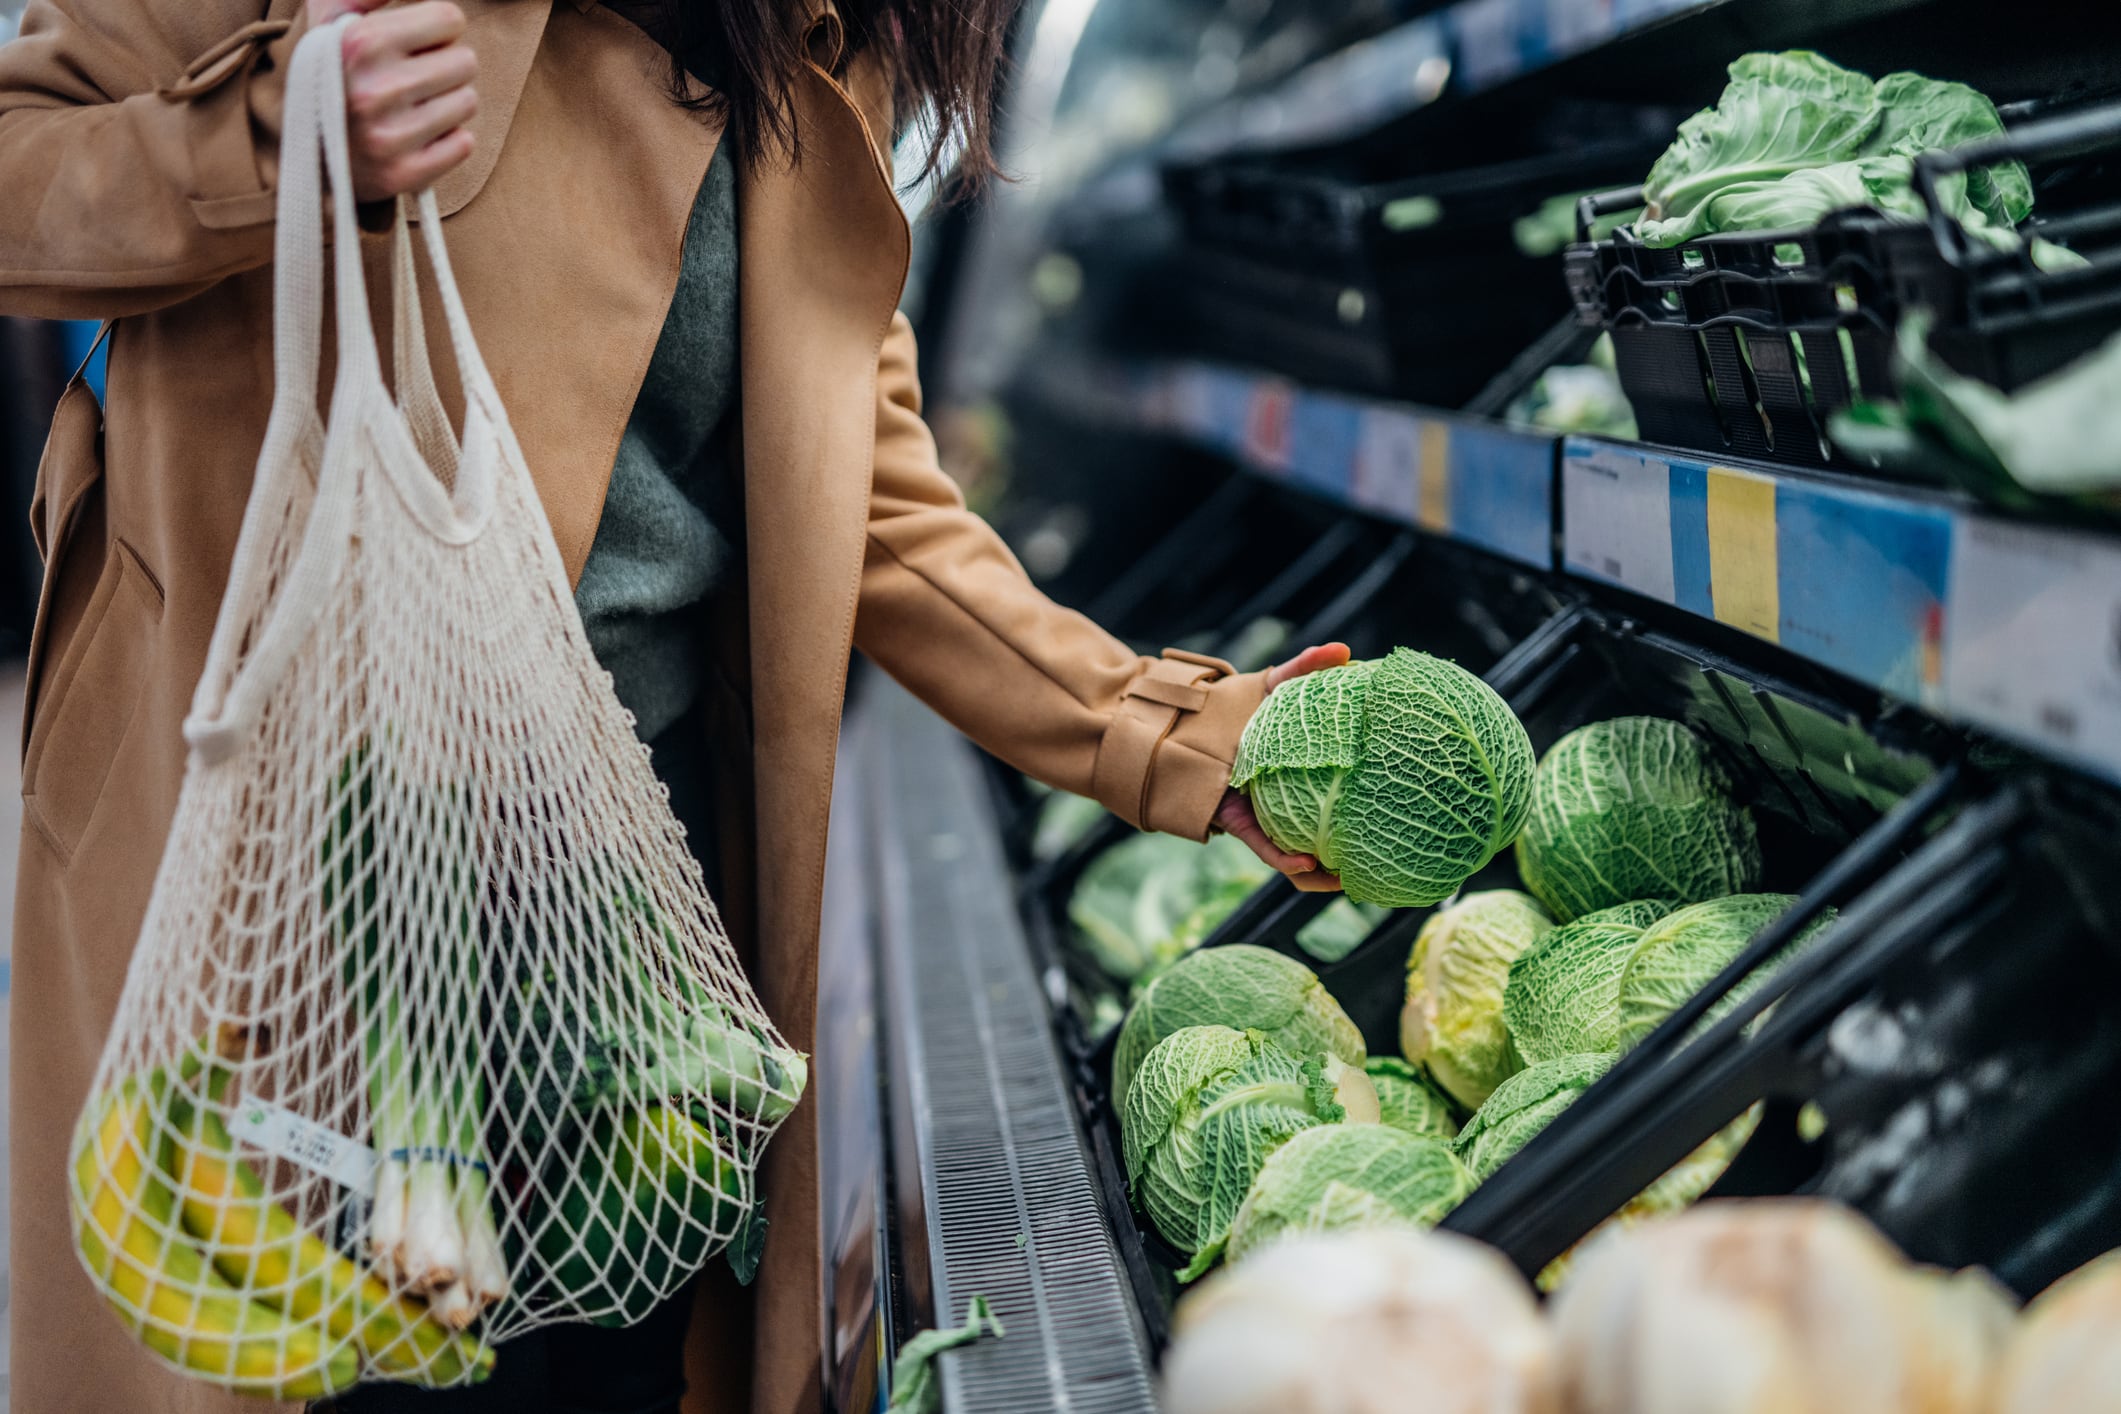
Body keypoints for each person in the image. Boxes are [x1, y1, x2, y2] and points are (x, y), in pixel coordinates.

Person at [0, 0, 1348, 1409]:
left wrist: (1179, 734)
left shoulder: (814, 39)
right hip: (285, 880)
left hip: (618, 910)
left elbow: (869, 499)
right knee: (276, 1355)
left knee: (584, 1366)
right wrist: (270, 135)